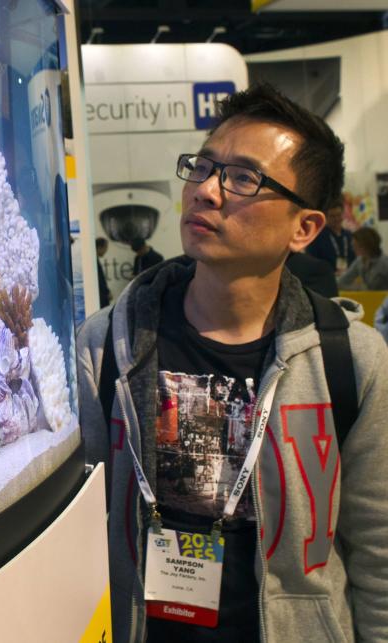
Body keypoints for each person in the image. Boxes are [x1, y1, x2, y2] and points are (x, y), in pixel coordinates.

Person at [77, 84, 388, 643]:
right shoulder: (106, 347)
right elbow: (80, 533)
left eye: (245, 178)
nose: (206, 191)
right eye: (202, 167)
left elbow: (378, 547)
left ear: (305, 228)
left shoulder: (352, 361)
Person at [307, 199, 354, 275]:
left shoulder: (349, 236)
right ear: (325, 217)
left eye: (339, 215)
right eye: (332, 216)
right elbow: (312, 261)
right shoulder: (317, 237)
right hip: (326, 278)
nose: (336, 219)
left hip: (349, 279)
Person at [337, 226, 388, 290]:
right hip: (367, 298)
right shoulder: (359, 262)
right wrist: (359, 288)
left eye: (356, 246)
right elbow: (341, 283)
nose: (353, 249)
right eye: (353, 246)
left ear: (367, 245)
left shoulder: (385, 263)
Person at [96, 237, 112, 308]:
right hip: (101, 296)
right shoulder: (94, 262)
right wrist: (106, 292)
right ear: (100, 247)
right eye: (105, 248)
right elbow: (100, 279)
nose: (106, 251)